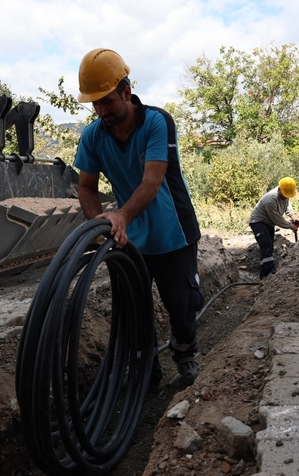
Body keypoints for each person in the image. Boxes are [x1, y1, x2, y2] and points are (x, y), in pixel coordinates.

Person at [72, 48, 204, 385]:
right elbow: (86, 187)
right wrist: (101, 222)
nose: (101, 110)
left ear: (126, 93)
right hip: (130, 238)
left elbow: (152, 180)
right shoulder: (93, 136)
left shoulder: (157, 122)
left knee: (182, 304)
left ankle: (185, 355)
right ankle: (147, 373)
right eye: (95, 104)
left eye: (107, 101)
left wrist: (120, 215)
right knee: (133, 310)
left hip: (174, 233)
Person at [249, 177, 299, 279]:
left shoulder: (285, 193)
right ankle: (269, 273)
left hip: (269, 223)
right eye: (285, 195)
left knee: (269, 247)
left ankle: (264, 276)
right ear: (280, 189)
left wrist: (293, 216)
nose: (286, 197)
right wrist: (290, 226)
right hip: (259, 222)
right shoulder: (270, 200)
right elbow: (276, 218)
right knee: (266, 245)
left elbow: (287, 205)